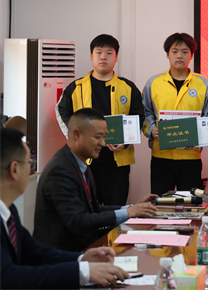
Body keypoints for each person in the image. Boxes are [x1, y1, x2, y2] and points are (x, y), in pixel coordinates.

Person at [1, 127, 133, 288]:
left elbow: (34, 252)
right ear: (14, 169)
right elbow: (7, 277)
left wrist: (81, 259)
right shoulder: (61, 168)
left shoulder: (9, 210)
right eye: (30, 163)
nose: (31, 169)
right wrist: (82, 271)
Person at [34, 108, 157, 252]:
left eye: (104, 137)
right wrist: (128, 213)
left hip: (84, 248)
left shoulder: (80, 163)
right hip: (63, 255)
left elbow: (93, 209)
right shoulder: (60, 170)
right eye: (98, 137)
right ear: (77, 135)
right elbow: (78, 221)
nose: (103, 143)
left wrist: (132, 208)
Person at [55, 34, 145, 205]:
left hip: (117, 162)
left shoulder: (128, 88)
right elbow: (62, 112)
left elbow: (139, 116)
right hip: (85, 161)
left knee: (115, 210)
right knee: (86, 209)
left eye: (109, 53)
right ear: (91, 56)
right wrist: (76, 138)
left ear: (116, 57)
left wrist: (126, 142)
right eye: (99, 52)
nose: (103, 57)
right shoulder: (76, 87)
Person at [142, 33, 208, 195]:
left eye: (185, 51)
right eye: (174, 51)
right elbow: (145, 111)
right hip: (161, 156)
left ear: (191, 55)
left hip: (190, 156)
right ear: (167, 54)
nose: (179, 55)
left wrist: (200, 137)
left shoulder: (203, 84)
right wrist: (151, 129)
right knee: (160, 203)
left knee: (190, 204)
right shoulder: (154, 82)